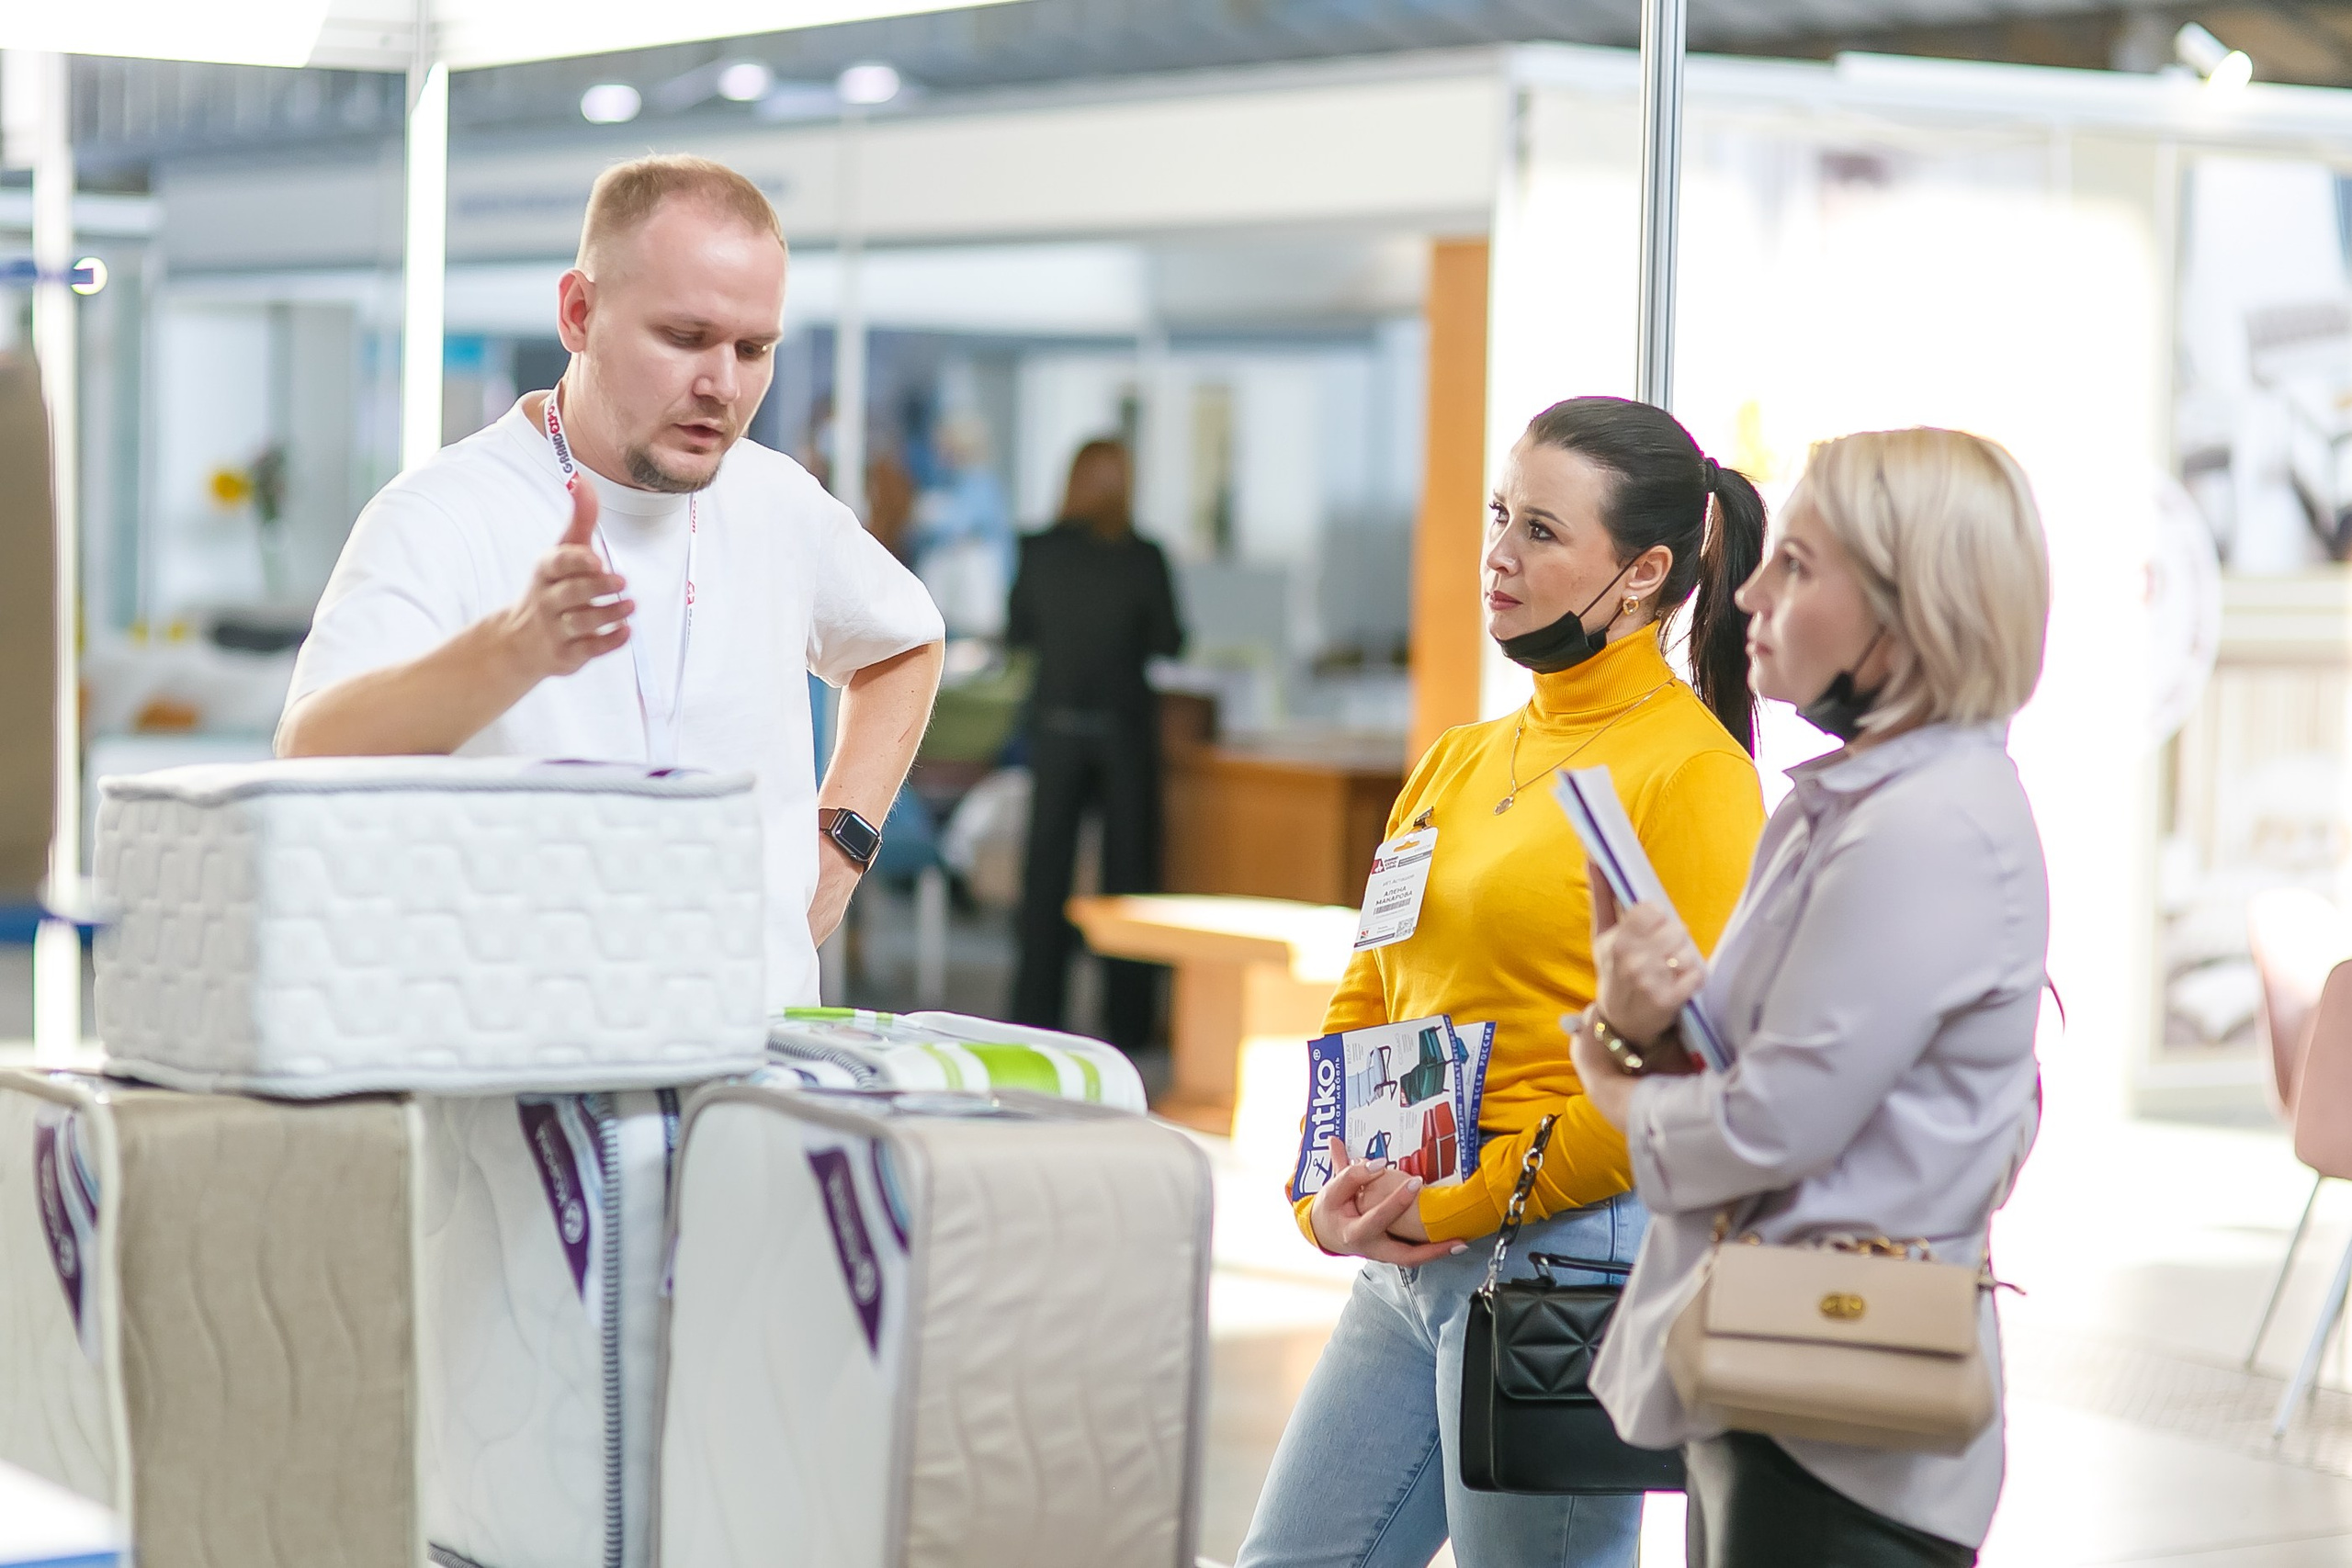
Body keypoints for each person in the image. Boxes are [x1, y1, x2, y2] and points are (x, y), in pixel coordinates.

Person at [1238, 397, 1769, 1568]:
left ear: (1641, 574)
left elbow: (1678, 1084)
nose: (1497, 555)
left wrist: (1461, 1206)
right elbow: (1369, 990)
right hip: (1410, 1245)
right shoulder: (1461, 757)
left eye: (1539, 530)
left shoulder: (1694, 776)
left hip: (1564, 1259)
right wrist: (1322, 1190)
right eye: (1497, 515)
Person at [277, 153, 945, 1010]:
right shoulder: (443, 515)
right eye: (684, 338)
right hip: (526, 1080)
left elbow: (905, 643)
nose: (723, 385)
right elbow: (310, 754)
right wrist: (509, 654)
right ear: (579, 313)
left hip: (756, 1063)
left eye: (754, 348)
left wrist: (843, 839)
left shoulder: (776, 500)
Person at [1576, 427, 2052, 1567]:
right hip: (1786, 1382)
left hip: (1841, 1411)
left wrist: (1609, 1082)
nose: (1745, 592)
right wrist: (1643, 1025)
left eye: (1794, 565)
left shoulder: (1924, 824)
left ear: (1910, 606)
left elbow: (1771, 1122)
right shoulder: (1858, 802)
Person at [1005, 437, 1182, 1052]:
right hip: (1122, 733)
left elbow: (1017, 628)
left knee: (1045, 877)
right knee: (1128, 879)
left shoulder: (1038, 550)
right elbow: (1170, 638)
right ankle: (1129, 1023)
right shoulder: (1143, 556)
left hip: (1054, 728)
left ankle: (1033, 1015)